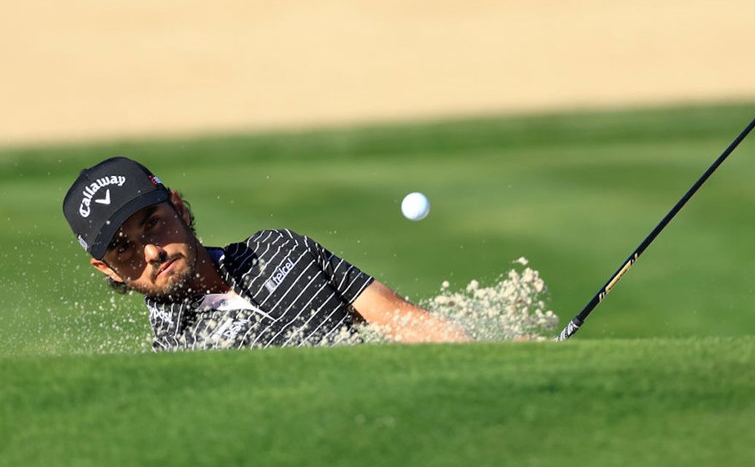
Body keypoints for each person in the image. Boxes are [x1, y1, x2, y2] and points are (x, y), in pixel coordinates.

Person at [62, 157, 470, 350]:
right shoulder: (178, 355)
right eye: (123, 248)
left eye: (151, 222)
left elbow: (403, 321)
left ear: (179, 208)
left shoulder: (279, 249)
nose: (150, 251)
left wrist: (494, 358)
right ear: (108, 269)